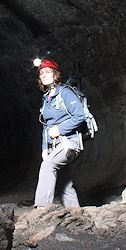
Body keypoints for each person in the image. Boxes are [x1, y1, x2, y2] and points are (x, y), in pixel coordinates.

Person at [34, 59, 86, 209]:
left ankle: (42, 209)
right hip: (54, 146)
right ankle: (75, 213)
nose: (44, 75)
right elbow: (46, 126)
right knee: (64, 182)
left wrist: (59, 130)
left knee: (47, 166)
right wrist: (45, 148)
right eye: (41, 73)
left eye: (47, 72)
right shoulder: (47, 99)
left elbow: (79, 115)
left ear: (56, 74)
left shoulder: (66, 93)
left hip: (70, 142)